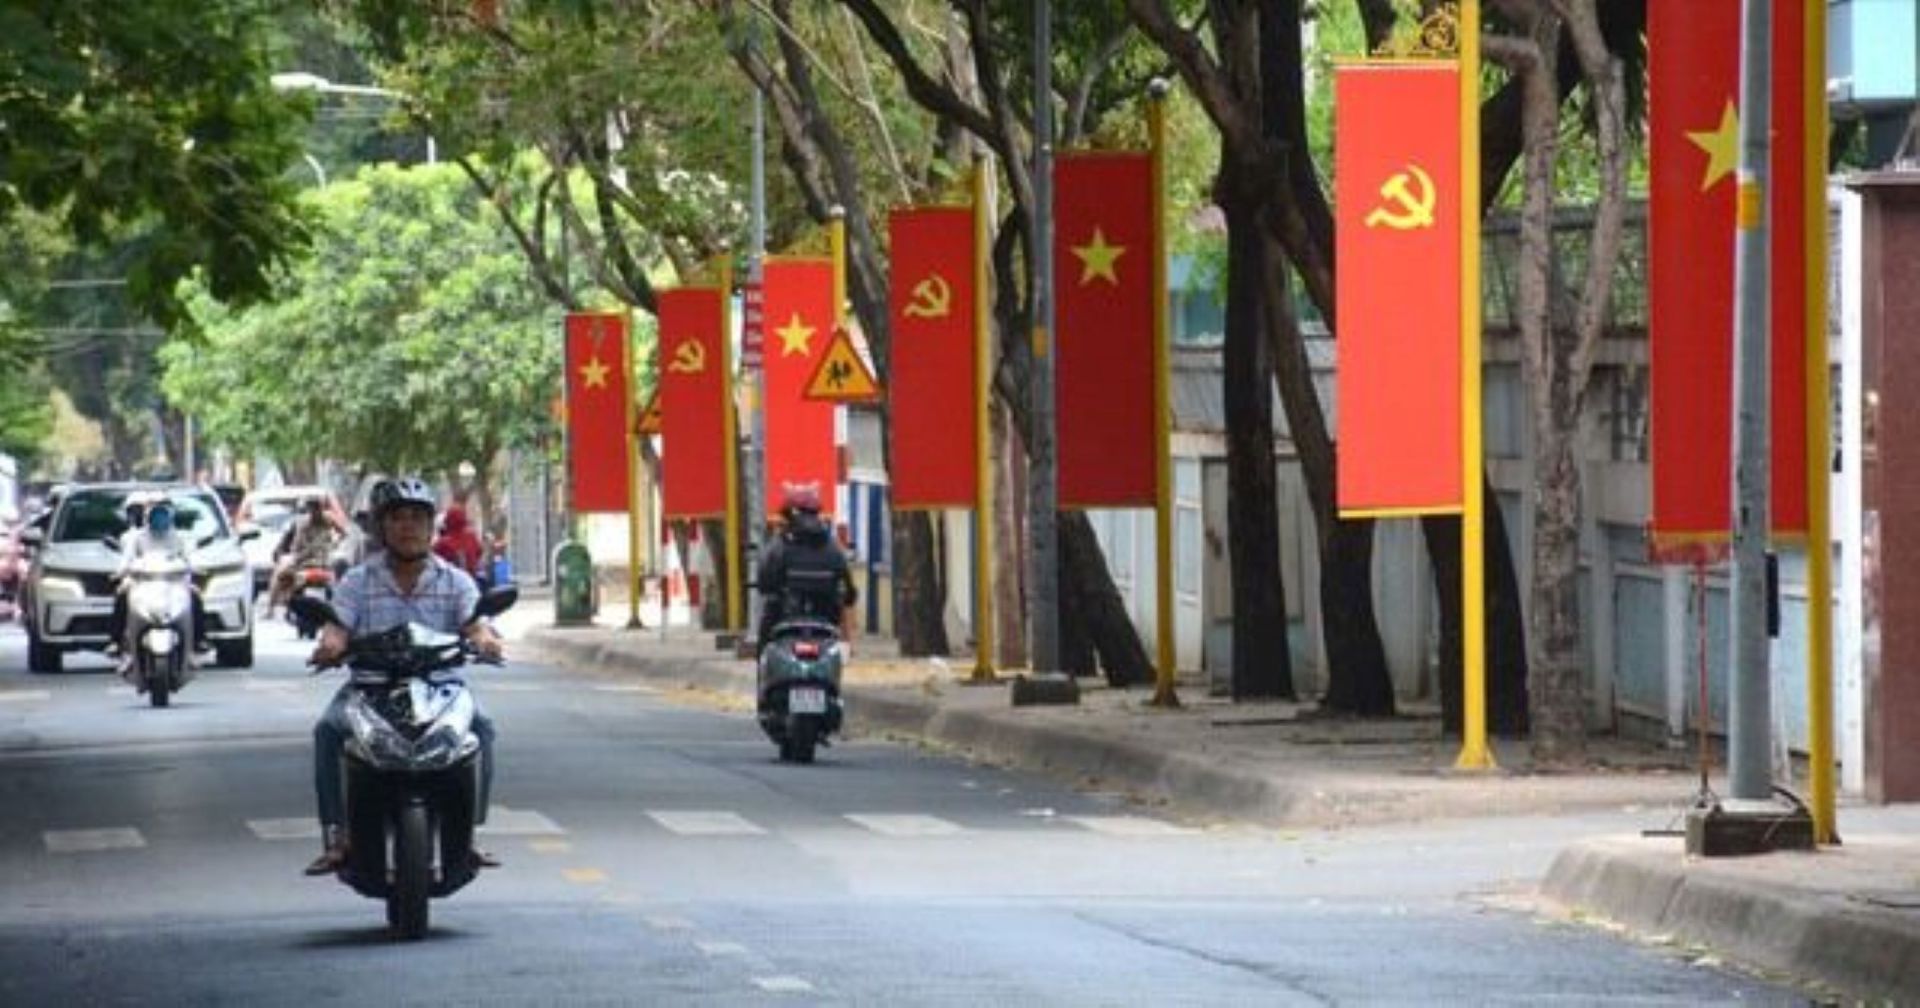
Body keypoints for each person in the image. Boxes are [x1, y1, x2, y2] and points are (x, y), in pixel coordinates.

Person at [304, 477, 504, 876]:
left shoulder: (455, 581)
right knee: (328, 730)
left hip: (441, 688)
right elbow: (337, 628)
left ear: (431, 526)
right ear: (382, 527)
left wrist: (485, 641)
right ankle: (338, 835)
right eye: (397, 518)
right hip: (369, 689)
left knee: (482, 728)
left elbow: (475, 625)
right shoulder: (357, 581)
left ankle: (470, 836)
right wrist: (330, 645)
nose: (408, 526)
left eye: (417, 517)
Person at [106, 495, 207, 675]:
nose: (158, 513)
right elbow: (126, 560)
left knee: (195, 596)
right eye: (154, 508)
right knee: (121, 594)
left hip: (174, 584)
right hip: (142, 583)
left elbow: (190, 559)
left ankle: (199, 641)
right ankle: (116, 642)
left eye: (163, 508)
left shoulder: (180, 537)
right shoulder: (136, 538)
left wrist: (196, 569)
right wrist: (121, 572)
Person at [755, 483, 856, 653]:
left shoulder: (779, 545)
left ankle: (763, 669)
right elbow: (849, 590)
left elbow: (764, 581)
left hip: (784, 620)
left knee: (767, 625)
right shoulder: (833, 548)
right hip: (825, 622)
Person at [266, 498, 341, 618]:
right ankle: (270, 608)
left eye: (318, 508)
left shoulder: (330, 520)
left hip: (326, 563)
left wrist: (336, 543)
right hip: (305, 562)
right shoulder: (303, 525)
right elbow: (295, 548)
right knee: (280, 571)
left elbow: (344, 534)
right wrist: (298, 556)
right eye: (313, 508)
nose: (316, 512)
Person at [432, 504, 486, 587]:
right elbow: (479, 552)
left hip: (450, 586)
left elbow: (431, 560)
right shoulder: (472, 537)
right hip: (472, 583)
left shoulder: (442, 543)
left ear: (447, 521)